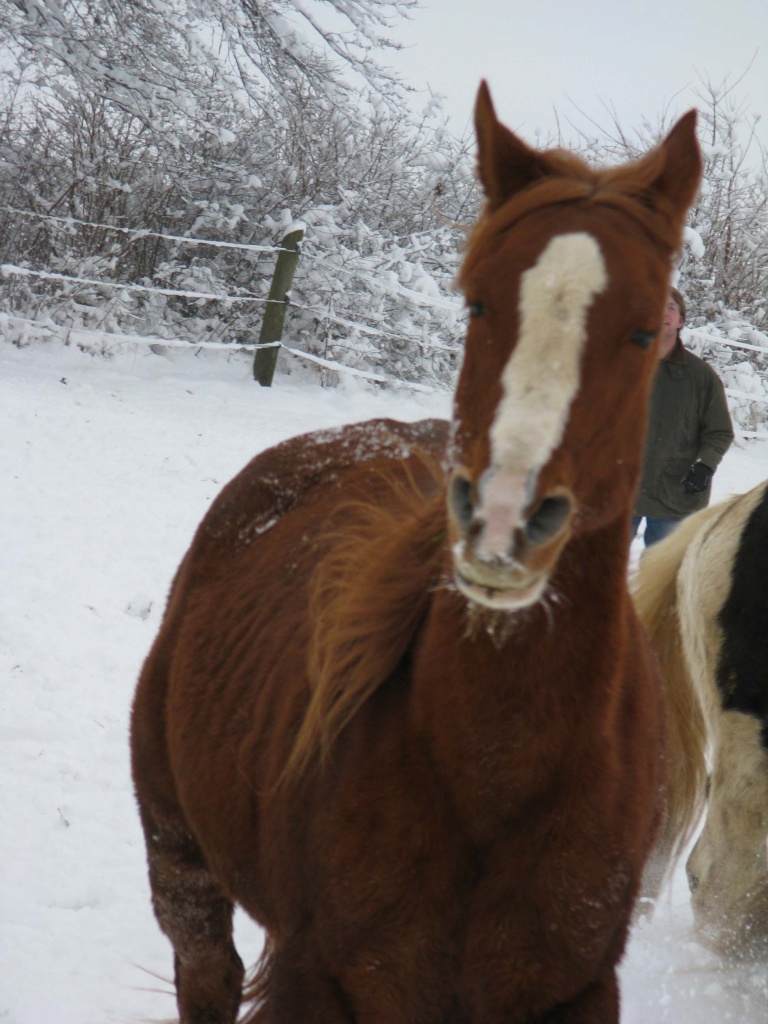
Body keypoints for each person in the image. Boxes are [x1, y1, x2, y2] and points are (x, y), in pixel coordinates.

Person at [632, 287, 734, 547]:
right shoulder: (621, 366)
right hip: (619, 490)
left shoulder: (701, 377)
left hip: (675, 493)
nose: (663, 313)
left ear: (681, 321)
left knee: (660, 580)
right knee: (598, 571)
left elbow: (719, 431)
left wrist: (705, 465)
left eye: (671, 308)